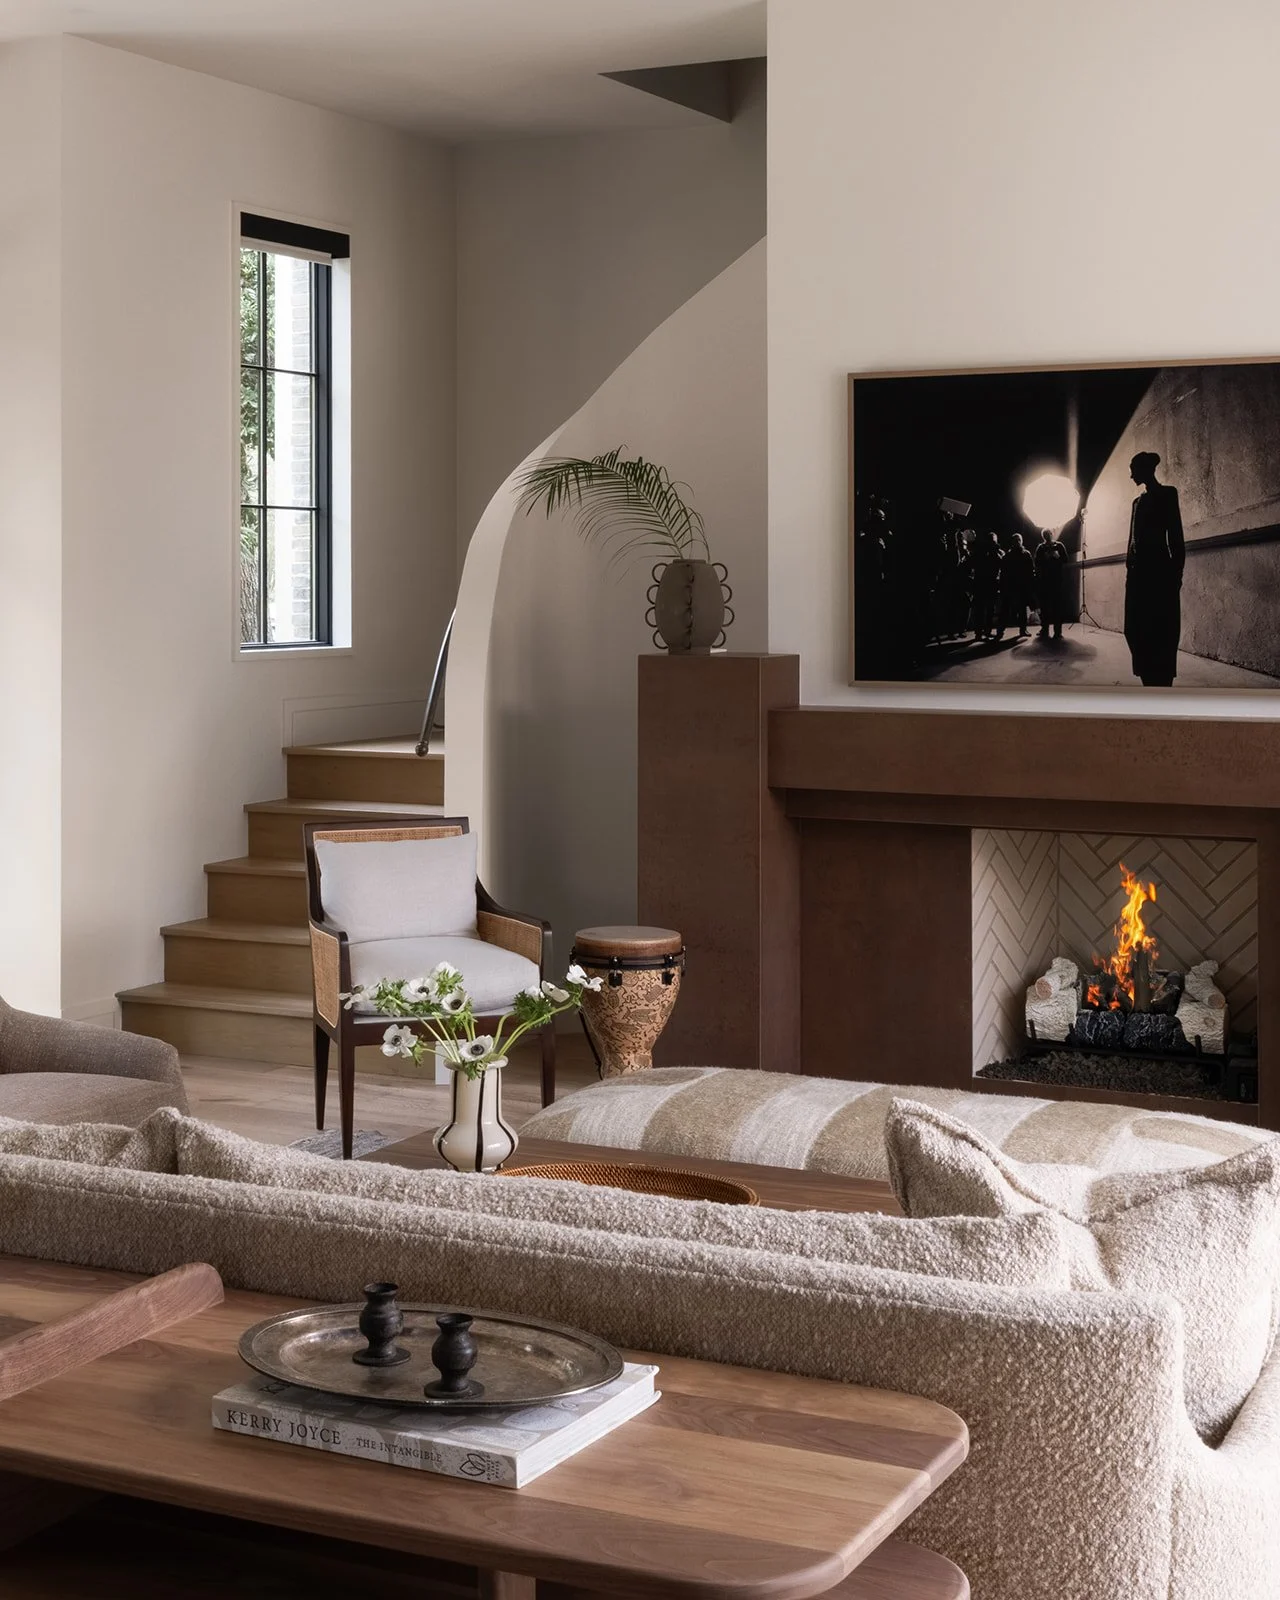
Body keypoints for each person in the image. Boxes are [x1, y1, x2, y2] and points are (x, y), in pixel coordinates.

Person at [1124, 451, 1184, 687]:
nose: (1131, 475)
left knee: (1162, 628)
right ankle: (1146, 674)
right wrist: (1129, 567)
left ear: (1146, 469)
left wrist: (1176, 574)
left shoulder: (1168, 494)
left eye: (1133, 469)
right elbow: (1131, 539)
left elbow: (1176, 537)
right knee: (1134, 628)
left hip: (1159, 571)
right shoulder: (1136, 502)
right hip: (1137, 575)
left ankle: (1162, 680)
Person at [1033, 528, 1069, 640]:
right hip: (1044, 581)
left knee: (1057, 606)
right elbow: (1036, 562)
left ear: (1052, 534)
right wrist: (1045, 558)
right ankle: (1044, 630)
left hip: (1056, 581)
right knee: (1045, 607)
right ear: (1043, 536)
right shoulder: (1041, 547)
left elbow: (1066, 559)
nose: (1047, 536)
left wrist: (1057, 557)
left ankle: (1057, 632)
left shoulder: (1059, 546)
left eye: (1049, 534)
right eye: (1045, 534)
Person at [969, 530, 1004, 640]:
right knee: (986, 608)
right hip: (988, 582)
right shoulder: (993, 552)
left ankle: (981, 632)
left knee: (985, 608)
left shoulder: (982, 551)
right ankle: (983, 631)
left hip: (983, 582)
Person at [1002, 533, 1035, 637]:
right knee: (1006, 608)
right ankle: (1001, 630)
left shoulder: (1025, 554)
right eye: (1016, 540)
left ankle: (1022, 629)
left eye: (1019, 540)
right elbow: (1004, 571)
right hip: (1012, 585)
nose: (1018, 542)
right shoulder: (1009, 555)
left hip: (1021, 585)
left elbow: (1031, 569)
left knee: (1021, 609)